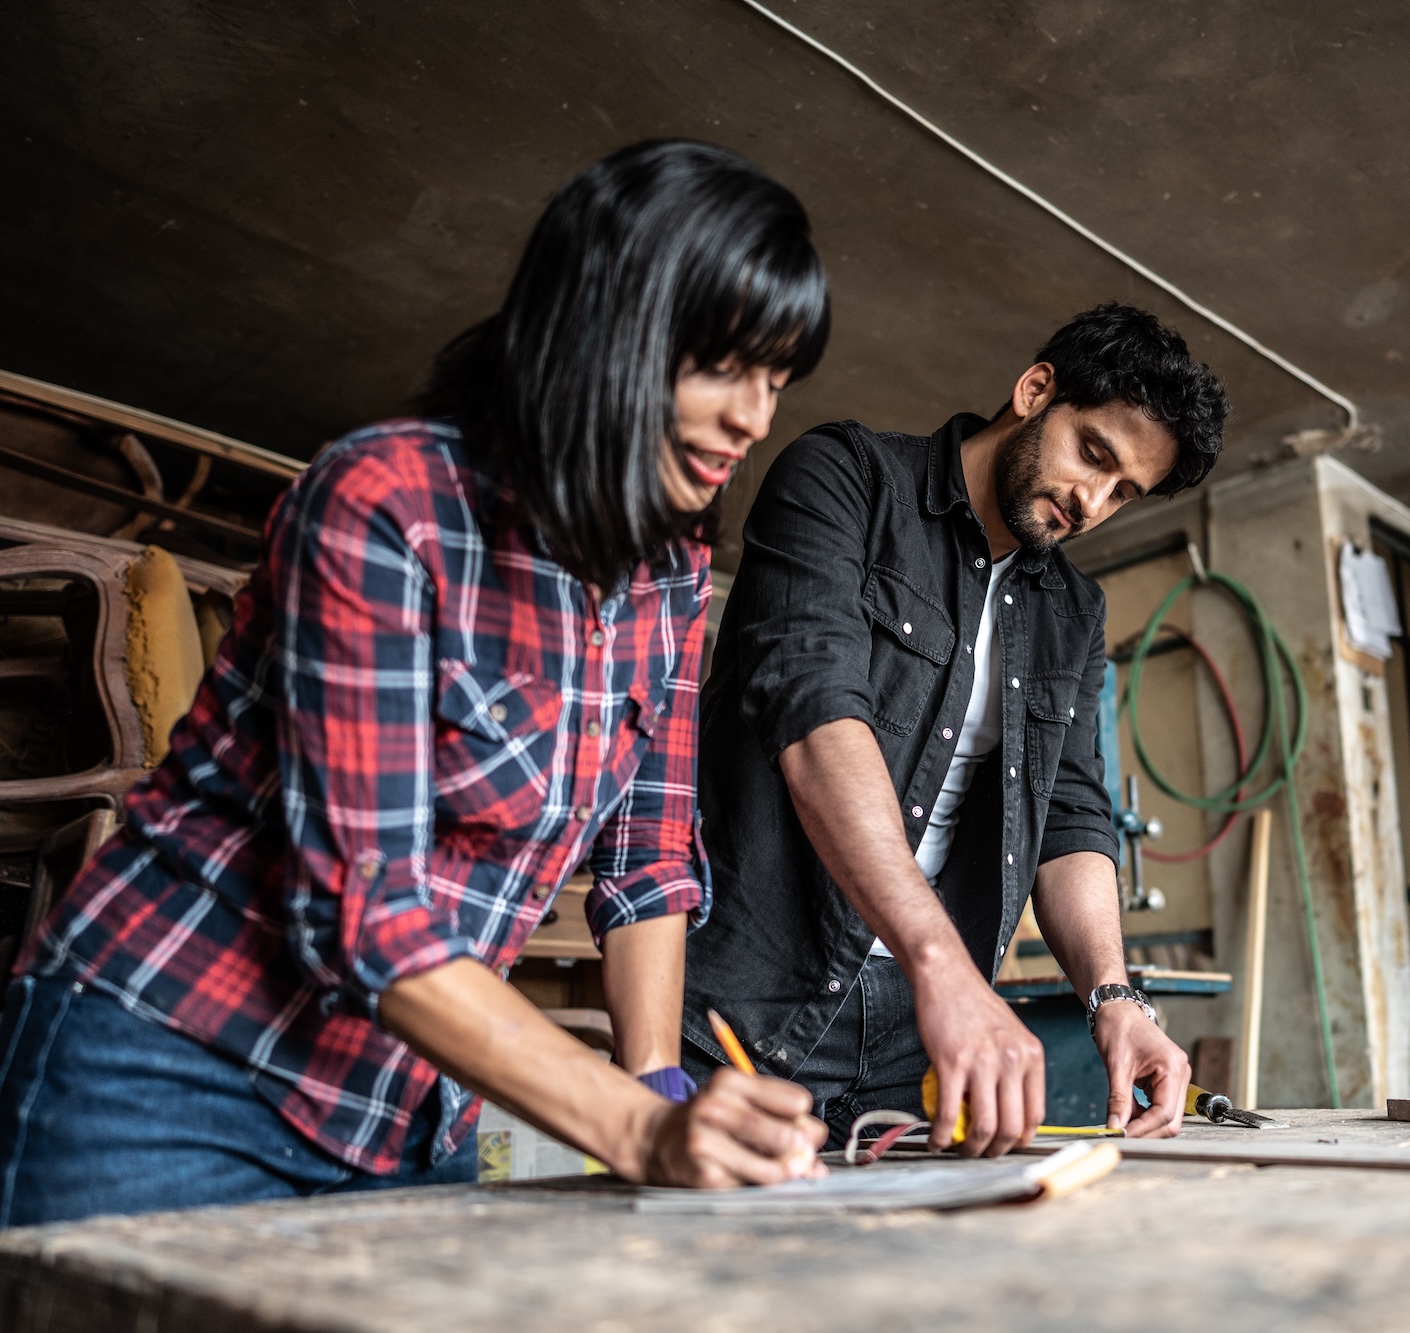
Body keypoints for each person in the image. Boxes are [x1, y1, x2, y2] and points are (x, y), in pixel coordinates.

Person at [0, 140, 830, 1226]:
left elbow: (646, 859)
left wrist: (656, 1085)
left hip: (401, 1112)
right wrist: (636, 1131)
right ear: (601, 327)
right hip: (166, 1073)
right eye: (723, 367)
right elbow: (365, 911)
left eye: (774, 382)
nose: (755, 420)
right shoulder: (386, 503)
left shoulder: (671, 570)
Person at [684, 302, 1229, 1154]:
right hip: (744, 1004)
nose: (1091, 501)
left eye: (1125, 492)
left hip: (912, 1036)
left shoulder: (1073, 612)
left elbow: (1072, 816)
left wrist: (1116, 998)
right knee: (708, 1272)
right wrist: (947, 968)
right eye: (1093, 454)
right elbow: (816, 715)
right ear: (1035, 389)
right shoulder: (844, 479)